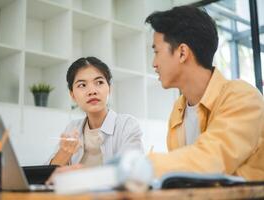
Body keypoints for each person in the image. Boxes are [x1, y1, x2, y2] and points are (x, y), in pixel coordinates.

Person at [145, 5, 264, 180]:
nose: (154, 63)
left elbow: (211, 159)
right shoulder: (178, 109)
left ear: (182, 53)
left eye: (156, 52)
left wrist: (144, 166)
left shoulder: (243, 97)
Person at [50, 57, 144, 167]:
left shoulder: (127, 125)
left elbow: (132, 171)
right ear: (73, 95)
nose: (92, 91)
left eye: (99, 82)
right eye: (82, 85)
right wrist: (64, 153)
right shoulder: (72, 128)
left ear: (109, 88)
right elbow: (46, 175)